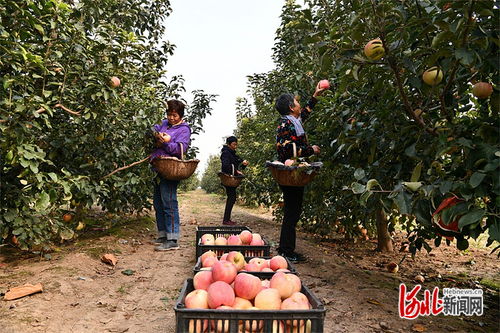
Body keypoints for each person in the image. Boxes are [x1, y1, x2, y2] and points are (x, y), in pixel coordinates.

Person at [274, 82, 325, 262]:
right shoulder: (285, 125)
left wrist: (315, 96)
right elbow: (287, 150)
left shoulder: (293, 121)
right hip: (290, 173)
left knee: (293, 210)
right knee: (292, 211)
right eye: (296, 102)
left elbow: (305, 114)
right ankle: (286, 251)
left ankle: (285, 249)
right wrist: (310, 150)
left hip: (295, 172)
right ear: (290, 107)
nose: (299, 105)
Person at [150, 100, 191, 251]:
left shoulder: (184, 129)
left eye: (174, 115)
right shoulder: (163, 124)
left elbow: (181, 149)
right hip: (157, 167)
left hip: (170, 169)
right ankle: (163, 234)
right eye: (169, 114)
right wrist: (156, 134)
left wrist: (165, 143)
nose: (171, 118)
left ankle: (173, 239)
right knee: (158, 202)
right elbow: (153, 130)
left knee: (169, 202)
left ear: (180, 115)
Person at [220, 136, 248, 225]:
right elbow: (225, 166)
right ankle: (226, 220)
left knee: (232, 198)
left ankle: (227, 219)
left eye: (236, 144)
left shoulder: (232, 153)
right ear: (228, 144)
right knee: (231, 198)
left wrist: (244, 163)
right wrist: (235, 171)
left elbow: (238, 162)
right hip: (228, 178)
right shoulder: (225, 153)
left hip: (232, 178)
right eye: (233, 144)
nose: (235, 146)